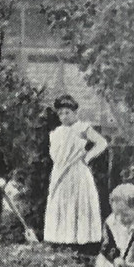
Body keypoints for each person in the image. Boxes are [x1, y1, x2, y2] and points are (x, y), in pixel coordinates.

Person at [43, 95, 107, 248]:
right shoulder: (57, 132)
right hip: (60, 172)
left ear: (74, 113)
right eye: (61, 114)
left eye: (67, 113)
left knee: (77, 203)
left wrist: (88, 157)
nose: (64, 116)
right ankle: (61, 239)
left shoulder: (82, 128)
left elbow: (102, 142)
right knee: (60, 202)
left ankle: (80, 241)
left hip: (76, 172)